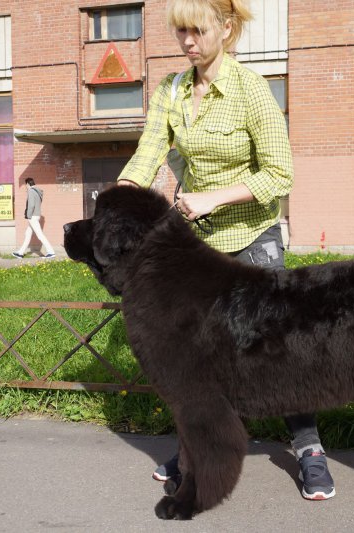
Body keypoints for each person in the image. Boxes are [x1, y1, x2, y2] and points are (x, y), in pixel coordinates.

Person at [116, 0, 335, 501]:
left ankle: (309, 450)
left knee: (279, 350)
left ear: (226, 28)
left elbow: (281, 174)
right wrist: (118, 201)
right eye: (180, 32)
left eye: (197, 30)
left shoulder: (250, 89)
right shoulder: (171, 90)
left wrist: (213, 196)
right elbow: (148, 152)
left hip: (254, 238)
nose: (188, 41)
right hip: (199, 247)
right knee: (199, 353)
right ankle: (199, 446)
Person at [12, 177, 56, 259]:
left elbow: (31, 205)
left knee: (40, 235)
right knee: (27, 234)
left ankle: (51, 252)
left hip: (32, 216)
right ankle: (20, 253)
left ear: (28, 184)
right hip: (36, 215)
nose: (26, 187)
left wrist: (28, 215)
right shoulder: (38, 192)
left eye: (26, 185)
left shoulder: (31, 191)